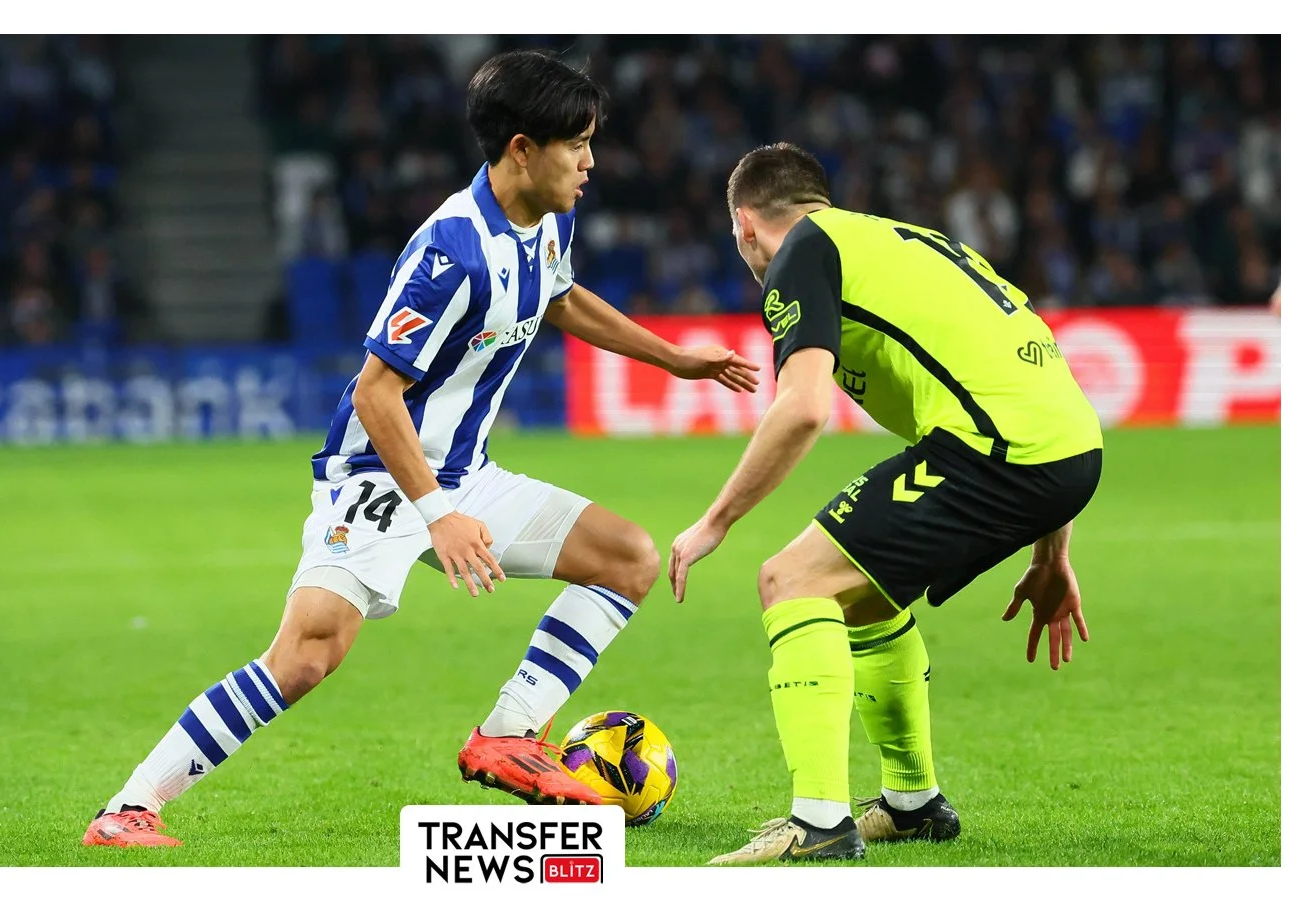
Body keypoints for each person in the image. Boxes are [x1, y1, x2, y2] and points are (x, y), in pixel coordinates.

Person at [82, 50, 760, 848]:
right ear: (520, 150)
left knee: (627, 557)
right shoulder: (450, 253)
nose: (590, 161)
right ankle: (129, 809)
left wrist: (674, 356)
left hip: (465, 474)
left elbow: (561, 296)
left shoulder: (548, 217)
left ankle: (508, 735)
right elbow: (375, 394)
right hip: (380, 472)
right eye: (576, 143)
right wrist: (437, 514)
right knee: (305, 657)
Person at [668, 143, 1104, 864]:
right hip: (1068, 451)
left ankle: (817, 823)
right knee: (862, 596)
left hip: (994, 451)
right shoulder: (904, 241)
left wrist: (714, 522)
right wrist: (1052, 551)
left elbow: (803, 409)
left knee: (791, 579)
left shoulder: (802, 254)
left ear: (745, 224)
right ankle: (912, 804)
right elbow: (1035, 384)